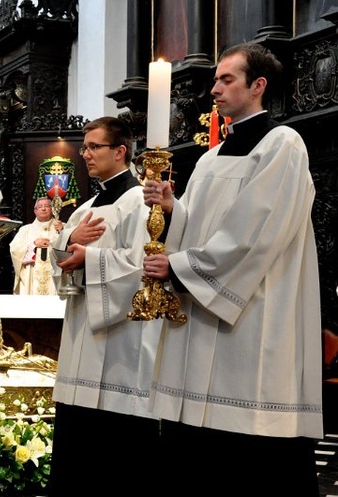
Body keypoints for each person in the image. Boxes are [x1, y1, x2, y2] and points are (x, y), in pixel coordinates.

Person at [142, 42, 323, 496]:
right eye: (215, 79)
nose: (214, 89)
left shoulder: (282, 144)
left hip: (254, 312)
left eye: (227, 79)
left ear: (257, 86)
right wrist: (174, 210)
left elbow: (254, 232)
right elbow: (201, 227)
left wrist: (179, 268)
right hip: (205, 312)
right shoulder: (207, 158)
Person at [48, 116, 162, 494]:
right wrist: (66, 244)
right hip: (82, 336)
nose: (85, 154)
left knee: (117, 462)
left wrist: (89, 258)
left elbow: (144, 269)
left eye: (93, 147)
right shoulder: (85, 208)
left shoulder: (142, 203)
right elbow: (61, 266)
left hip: (123, 348)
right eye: (84, 147)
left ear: (120, 151)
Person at [8, 197, 63, 295]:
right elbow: (14, 249)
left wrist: (63, 232)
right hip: (32, 275)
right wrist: (33, 244)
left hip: (54, 274)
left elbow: (72, 247)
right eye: (40, 207)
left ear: (53, 209)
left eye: (47, 206)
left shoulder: (62, 227)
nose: (43, 209)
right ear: (35, 211)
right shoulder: (25, 230)